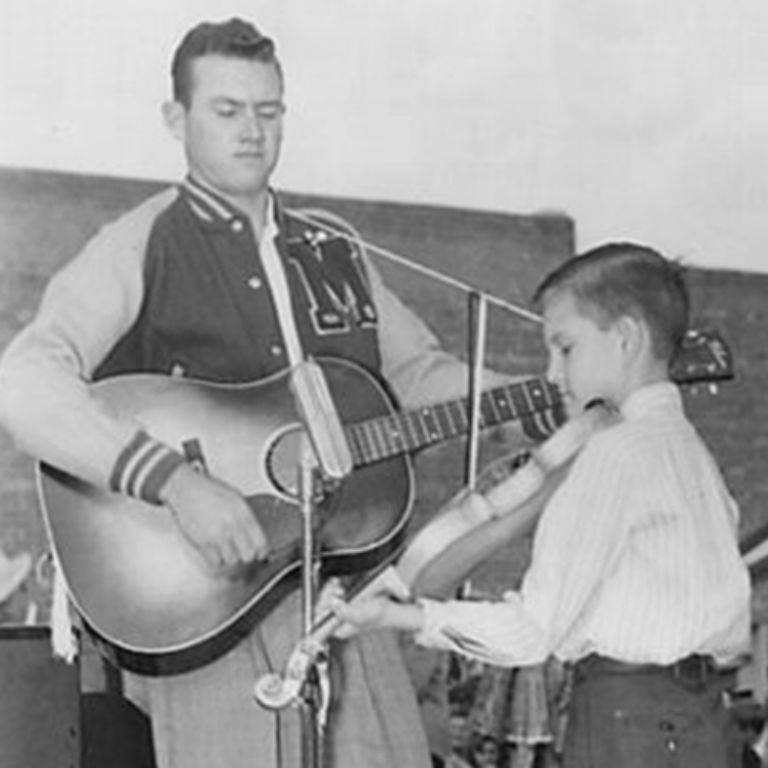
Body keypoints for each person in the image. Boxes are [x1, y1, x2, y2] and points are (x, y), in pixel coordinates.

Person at [0, 16, 532, 768]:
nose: (252, 131)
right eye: (227, 110)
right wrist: (177, 482)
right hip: (207, 601)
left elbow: (417, 375)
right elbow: (22, 383)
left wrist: (519, 398)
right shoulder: (141, 241)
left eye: (268, 110)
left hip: (344, 593)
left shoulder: (332, 245)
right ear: (176, 120)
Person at [330, 242, 752, 767]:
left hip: (629, 721)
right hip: (700, 716)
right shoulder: (691, 452)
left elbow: (532, 633)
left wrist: (403, 617)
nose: (551, 373)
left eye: (565, 347)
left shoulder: (613, 453)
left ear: (626, 338)